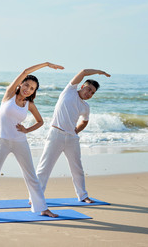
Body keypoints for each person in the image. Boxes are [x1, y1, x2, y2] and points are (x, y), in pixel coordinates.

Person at [0, 62, 64, 221]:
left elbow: (40, 122)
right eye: (26, 85)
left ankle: (42, 208)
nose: (28, 89)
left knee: (31, 176)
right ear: (20, 84)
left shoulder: (29, 104)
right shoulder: (9, 95)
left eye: (32, 88)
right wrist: (46, 64)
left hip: (20, 143)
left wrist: (27, 130)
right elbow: (25, 71)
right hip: (2, 142)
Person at [35, 68, 111, 203]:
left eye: (93, 93)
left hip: (72, 138)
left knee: (77, 168)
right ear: (82, 86)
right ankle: (35, 197)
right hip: (56, 134)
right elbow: (83, 72)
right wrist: (100, 72)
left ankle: (83, 195)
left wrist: (76, 131)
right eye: (88, 89)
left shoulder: (86, 106)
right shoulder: (69, 91)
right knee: (44, 167)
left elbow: (85, 121)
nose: (89, 93)